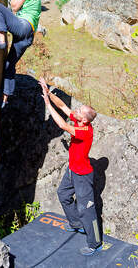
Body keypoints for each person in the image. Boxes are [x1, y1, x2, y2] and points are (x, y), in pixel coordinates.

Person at [39, 77, 102, 256]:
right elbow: (64, 108)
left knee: (87, 210)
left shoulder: (84, 131)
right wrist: (49, 93)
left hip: (83, 176)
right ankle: (76, 224)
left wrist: (46, 104)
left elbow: (62, 124)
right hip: (72, 170)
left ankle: (95, 242)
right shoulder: (80, 120)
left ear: (84, 119)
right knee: (63, 194)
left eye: (80, 111)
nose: (76, 111)